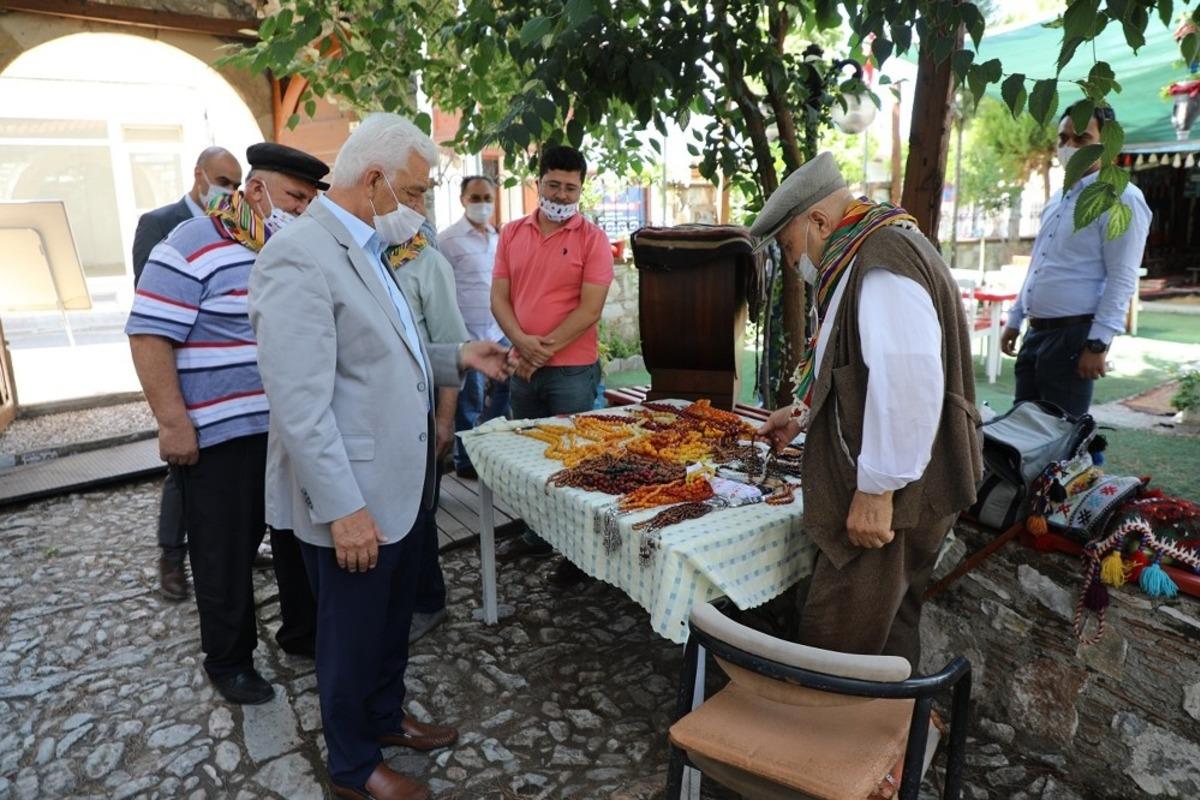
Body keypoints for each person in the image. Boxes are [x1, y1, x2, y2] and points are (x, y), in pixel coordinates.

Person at [250, 112, 513, 800]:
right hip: (354, 496)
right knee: (351, 637)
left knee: (390, 623)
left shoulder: (367, 247)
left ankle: (385, 716)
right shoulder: (299, 255)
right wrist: (343, 510)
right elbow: (300, 406)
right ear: (373, 181)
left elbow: (386, 352)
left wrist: (459, 356)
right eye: (416, 191)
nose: (422, 205)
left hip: (399, 484)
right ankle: (352, 764)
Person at [754, 152, 982, 670]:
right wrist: (803, 413)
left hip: (897, 496)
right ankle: (894, 719)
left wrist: (877, 490)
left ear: (818, 222)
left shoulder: (880, 258)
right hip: (910, 490)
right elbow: (860, 366)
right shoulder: (866, 250)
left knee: (837, 643)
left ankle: (826, 723)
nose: (793, 263)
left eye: (789, 248)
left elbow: (908, 380)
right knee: (889, 630)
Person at [125, 143, 327, 704]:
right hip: (221, 435)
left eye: (309, 202)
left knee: (293, 540)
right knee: (224, 552)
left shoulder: (289, 250)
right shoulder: (190, 243)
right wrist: (173, 422)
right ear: (255, 190)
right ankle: (229, 660)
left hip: (286, 431)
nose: (301, 209)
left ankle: (302, 632)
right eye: (294, 197)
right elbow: (149, 335)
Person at [490, 145, 613, 585]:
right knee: (532, 459)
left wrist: (538, 351)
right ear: (537, 182)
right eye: (554, 185)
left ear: (581, 189)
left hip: (572, 374)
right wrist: (522, 346)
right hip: (523, 371)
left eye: (570, 188)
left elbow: (590, 310)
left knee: (576, 464)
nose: (561, 195)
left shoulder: (593, 240)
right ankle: (537, 534)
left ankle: (580, 554)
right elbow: (499, 298)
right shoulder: (511, 233)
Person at [130, 145, 242, 602]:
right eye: (223, 182)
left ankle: (237, 544)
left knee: (227, 474)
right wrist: (168, 408)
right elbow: (150, 305)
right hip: (180, 373)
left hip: (224, 381)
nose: (229, 191)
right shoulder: (159, 223)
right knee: (182, 469)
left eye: (236, 185)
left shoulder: (236, 225)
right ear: (199, 175)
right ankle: (172, 556)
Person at [1000, 104, 1152, 417]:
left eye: (1081, 139)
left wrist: (1098, 343)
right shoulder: (1059, 197)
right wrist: (1015, 319)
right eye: (1063, 138)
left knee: (1061, 432)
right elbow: (1038, 263)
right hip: (1035, 332)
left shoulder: (1122, 198)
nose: (1069, 147)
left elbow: (1122, 276)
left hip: (1073, 338)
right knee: (1023, 425)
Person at [387, 233, 471, 643]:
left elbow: (449, 347)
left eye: (416, 199)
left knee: (420, 514)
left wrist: (445, 419)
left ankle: (427, 601)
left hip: (420, 411)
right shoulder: (363, 257)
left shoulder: (427, 262)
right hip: (377, 418)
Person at [440, 175, 510, 480]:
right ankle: (466, 460)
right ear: (463, 200)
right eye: (476, 198)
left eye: (487, 199)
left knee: (507, 387)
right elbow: (442, 290)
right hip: (466, 335)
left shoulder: (499, 238)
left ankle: (489, 446)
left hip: (498, 332)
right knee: (469, 401)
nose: (482, 205)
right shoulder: (447, 240)